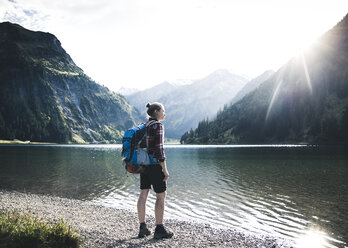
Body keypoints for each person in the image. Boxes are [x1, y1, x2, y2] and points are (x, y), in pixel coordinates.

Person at [137, 102, 174, 239]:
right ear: (157, 111)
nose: (164, 113)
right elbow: (159, 149)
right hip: (154, 165)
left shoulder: (144, 126)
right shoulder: (158, 126)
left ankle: (142, 227)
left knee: (143, 194)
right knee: (160, 195)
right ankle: (159, 228)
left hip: (143, 165)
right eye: (163, 110)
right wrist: (164, 169)